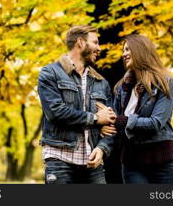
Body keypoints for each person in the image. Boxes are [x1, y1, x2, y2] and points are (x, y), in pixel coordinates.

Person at [37, 25, 117, 184]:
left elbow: (110, 123)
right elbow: (55, 112)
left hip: (92, 161)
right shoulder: (50, 73)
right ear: (80, 43)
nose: (99, 48)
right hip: (59, 158)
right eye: (95, 42)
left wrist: (102, 148)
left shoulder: (101, 83)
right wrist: (95, 119)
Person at [99, 34, 173, 184]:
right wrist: (104, 129)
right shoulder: (121, 87)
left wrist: (120, 121)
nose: (124, 54)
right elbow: (113, 123)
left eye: (128, 49)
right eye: (123, 50)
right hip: (131, 162)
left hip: (162, 161)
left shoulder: (164, 82)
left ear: (141, 50)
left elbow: (155, 123)